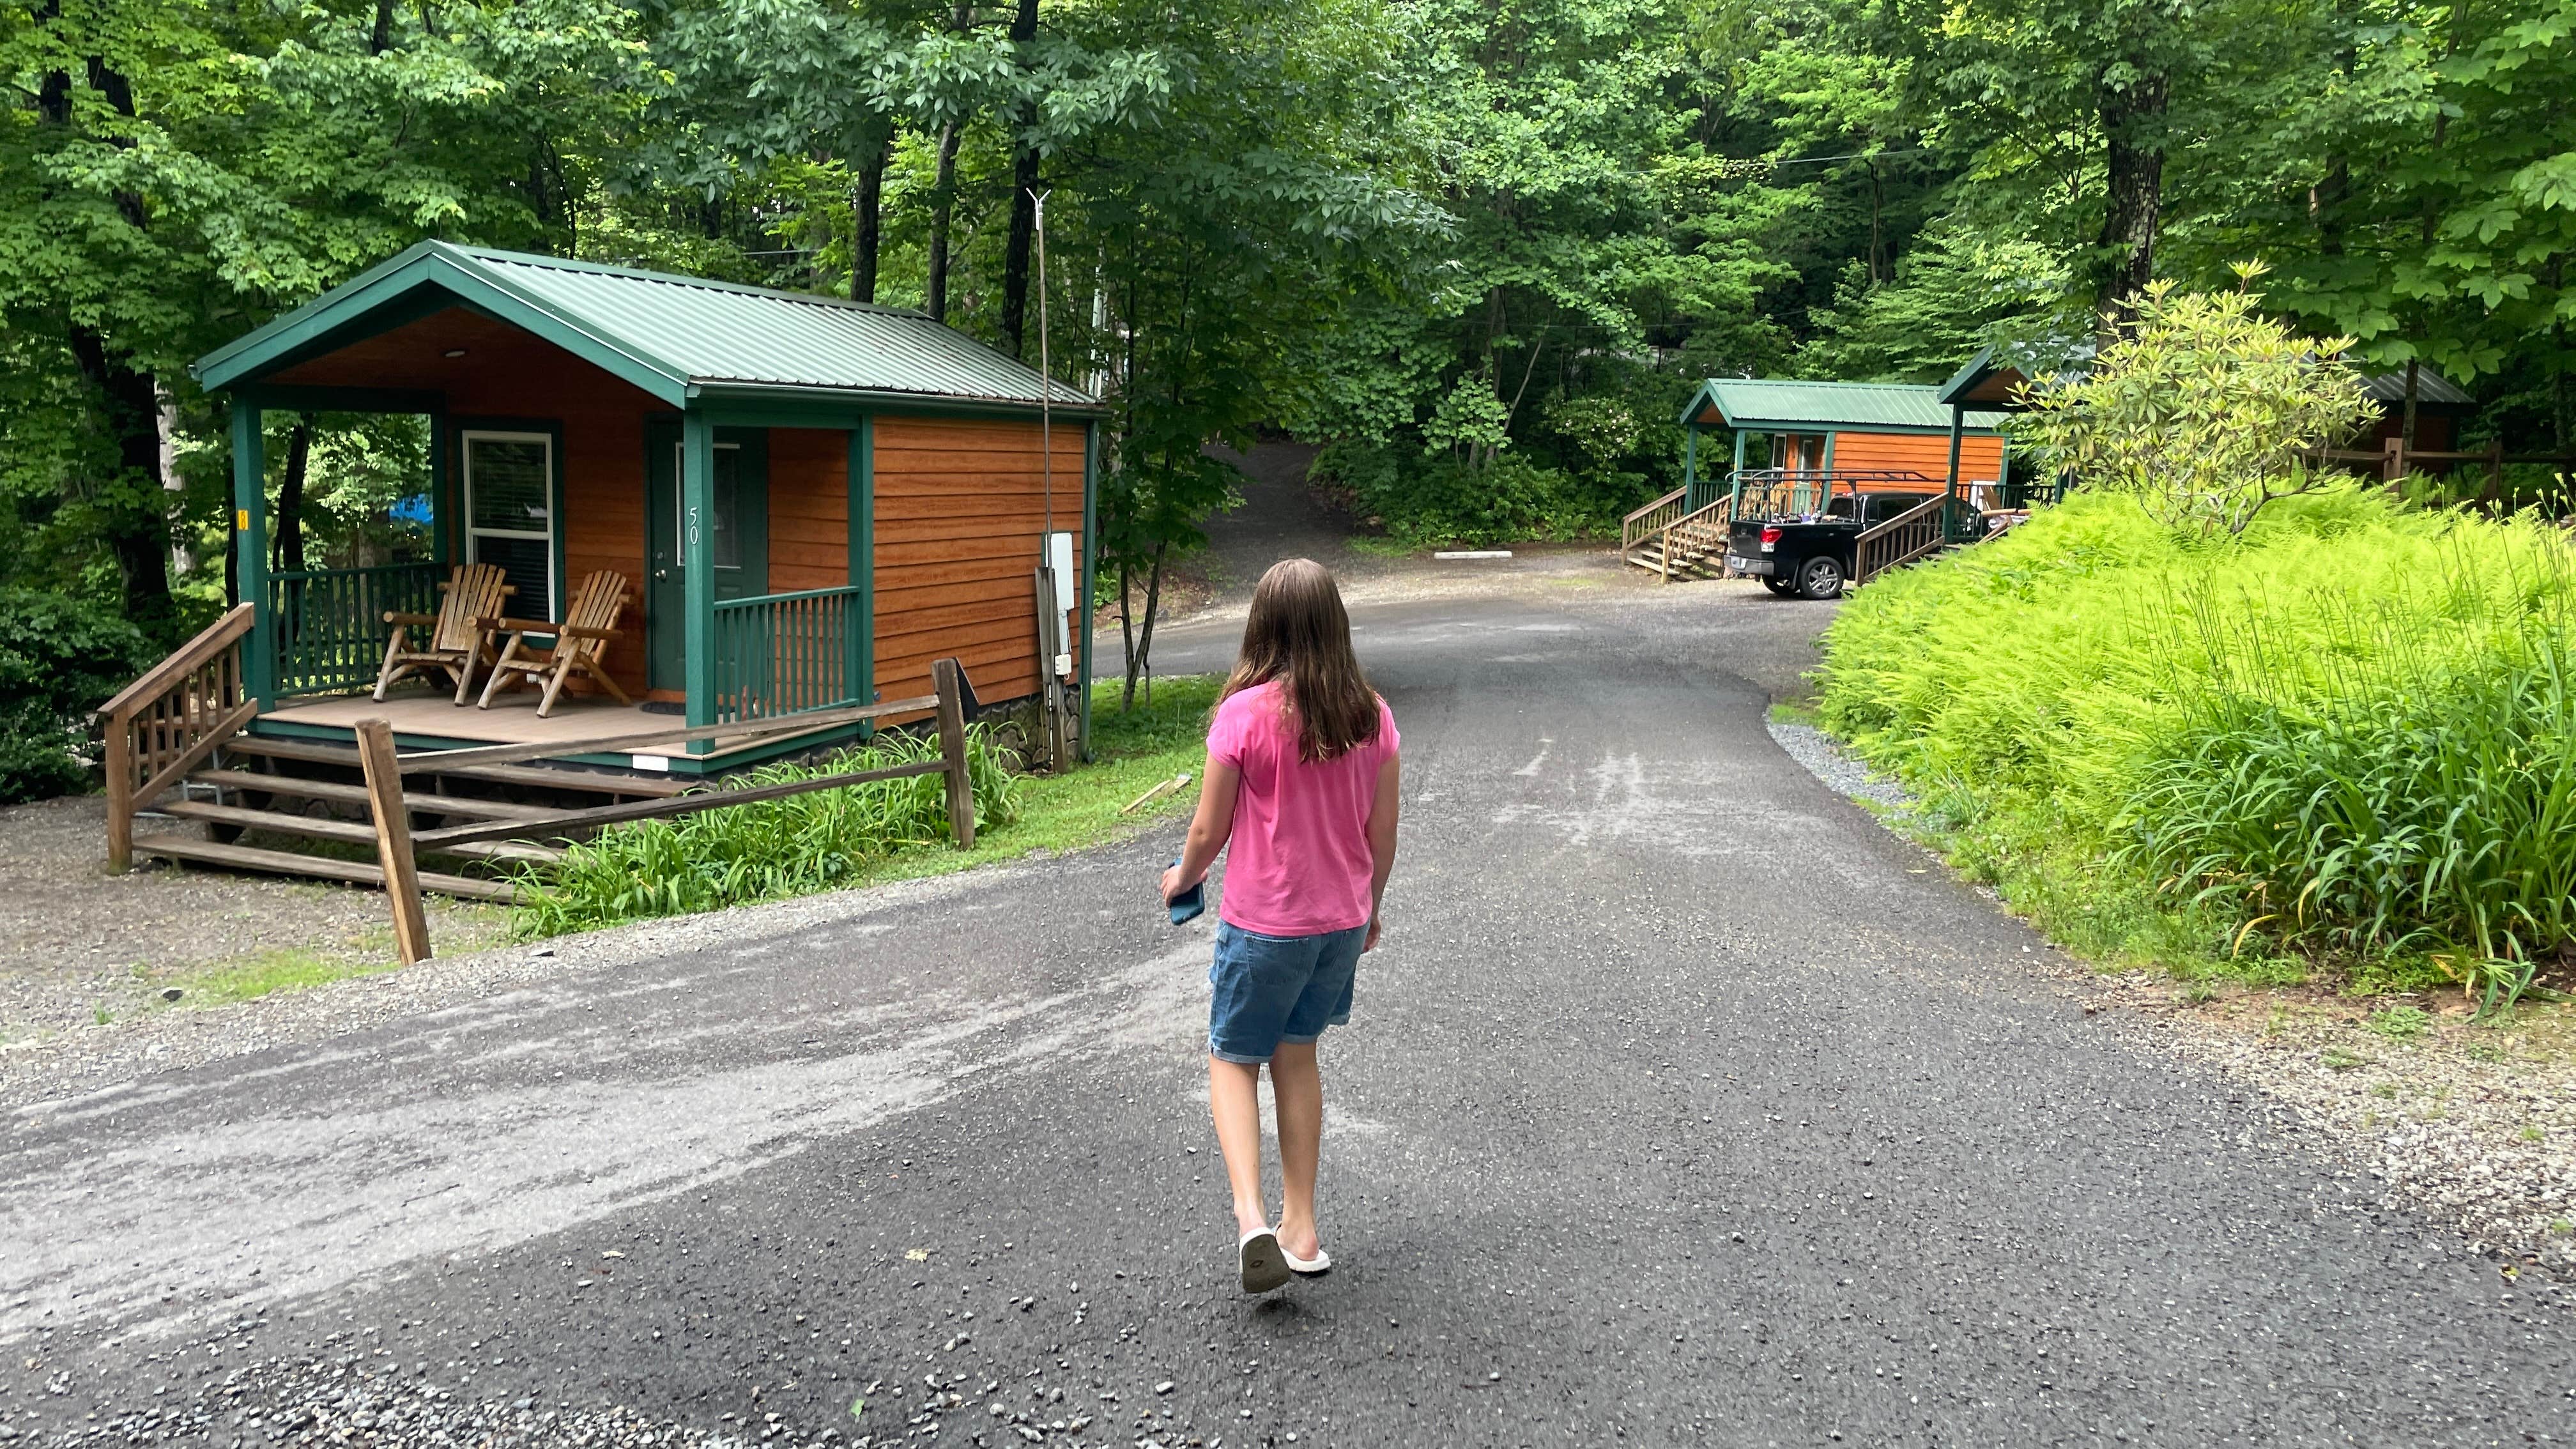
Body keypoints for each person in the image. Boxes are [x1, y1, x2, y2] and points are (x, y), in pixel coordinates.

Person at [1162, 558, 1402, 1295]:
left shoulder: (1242, 715)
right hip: (1338, 923)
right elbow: (1381, 833)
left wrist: (1184, 877)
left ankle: (1251, 1219)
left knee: (1233, 1057)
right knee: (1297, 1054)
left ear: (1262, 624)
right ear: (1336, 625)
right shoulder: (1372, 713)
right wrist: (1370, 910)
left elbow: (1209, 828)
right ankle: (1303, 1230)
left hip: (1265, 926)